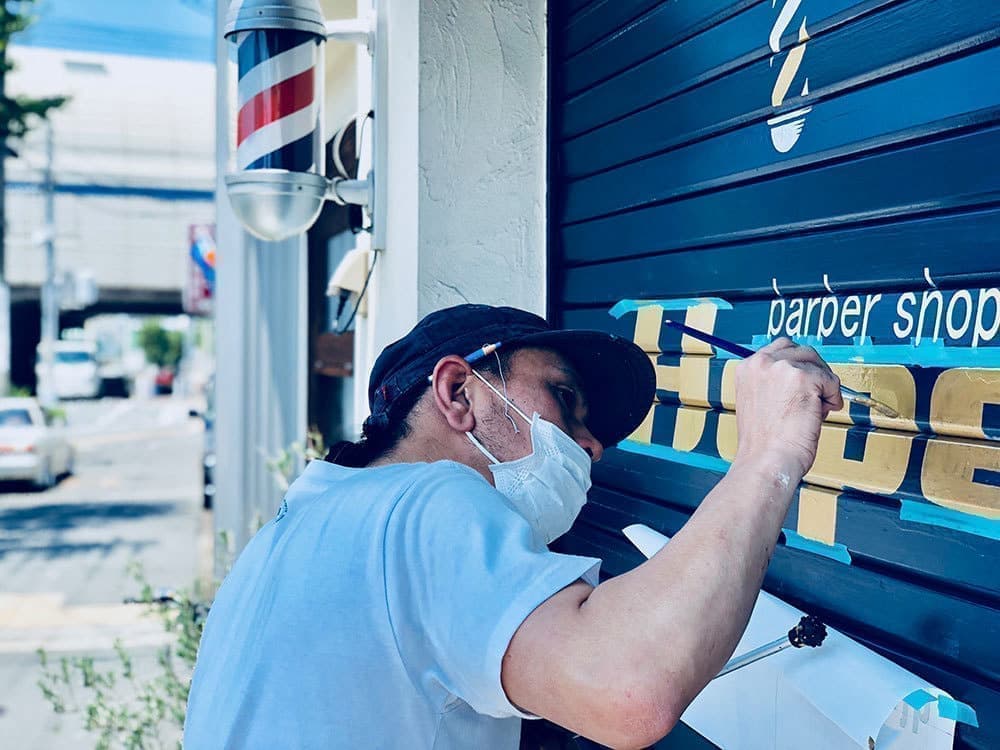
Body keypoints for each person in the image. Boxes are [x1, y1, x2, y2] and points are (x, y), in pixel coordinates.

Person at [184, 303, 842, 750]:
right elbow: (627, 686)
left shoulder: (295, 532)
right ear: (458, 393)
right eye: (563, 398)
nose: (591, 447)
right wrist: (769, 452)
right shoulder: (423, 501)